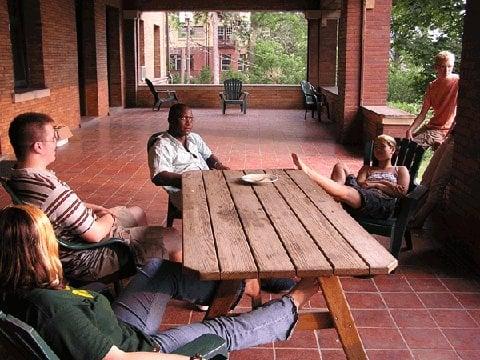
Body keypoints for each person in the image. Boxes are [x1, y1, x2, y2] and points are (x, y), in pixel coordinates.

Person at [0, 204, 319, 360]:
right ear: (38, 250)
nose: (56, 241)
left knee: (157, 268)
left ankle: (233, 286)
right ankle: (296, 300)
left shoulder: (18, 287)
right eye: (49, 237)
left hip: (116, 322)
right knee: (222, 332)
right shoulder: (52, 309)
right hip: (143, 349)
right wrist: (191, 358)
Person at [7, 112, 167, 283]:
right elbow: (96, 234)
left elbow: (60, 207)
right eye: (53, 138)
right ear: (38, 146)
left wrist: (93, 208)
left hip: (77, 229)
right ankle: (144, 280)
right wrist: (108, 216)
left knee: (138, 212)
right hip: (85, 257)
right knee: (170, 237)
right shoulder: (52, 190)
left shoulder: (19, 176)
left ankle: (139, 271)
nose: (56, 143)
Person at [292, 135, 410, 220]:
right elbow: (361, 183)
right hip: (361, 193)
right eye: (376, 147)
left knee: (348, 192)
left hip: (381, 203)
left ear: (392, 150)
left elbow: (401, 193)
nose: (377, 150)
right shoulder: (367, 168)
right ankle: (336, 189)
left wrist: (377, 184)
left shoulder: (400, 169)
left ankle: (310, 174)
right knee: (340, 165)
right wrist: (389, 185)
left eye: (382, 147)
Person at [148, 103, 229, 212]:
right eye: (183, 118)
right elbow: (158, 176)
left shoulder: (194, 138)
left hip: (206, 182)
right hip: (185, 191)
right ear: (170, 120)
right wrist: (190, 179)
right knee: (221, 205)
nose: (188, 123)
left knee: (237, 192)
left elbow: (208, 156)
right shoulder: (161, 145)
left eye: (191, 118)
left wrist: (218, 165)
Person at [406, 51, 459, 149]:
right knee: (405, 145)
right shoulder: (432, 86)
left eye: (449, 66)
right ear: (436, 67)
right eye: (442, 67)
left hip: (443, 129)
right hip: (431, 126)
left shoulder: (458, 82)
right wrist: (410, 130)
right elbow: (423, 114)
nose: (446, 70)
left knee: (411, 148)